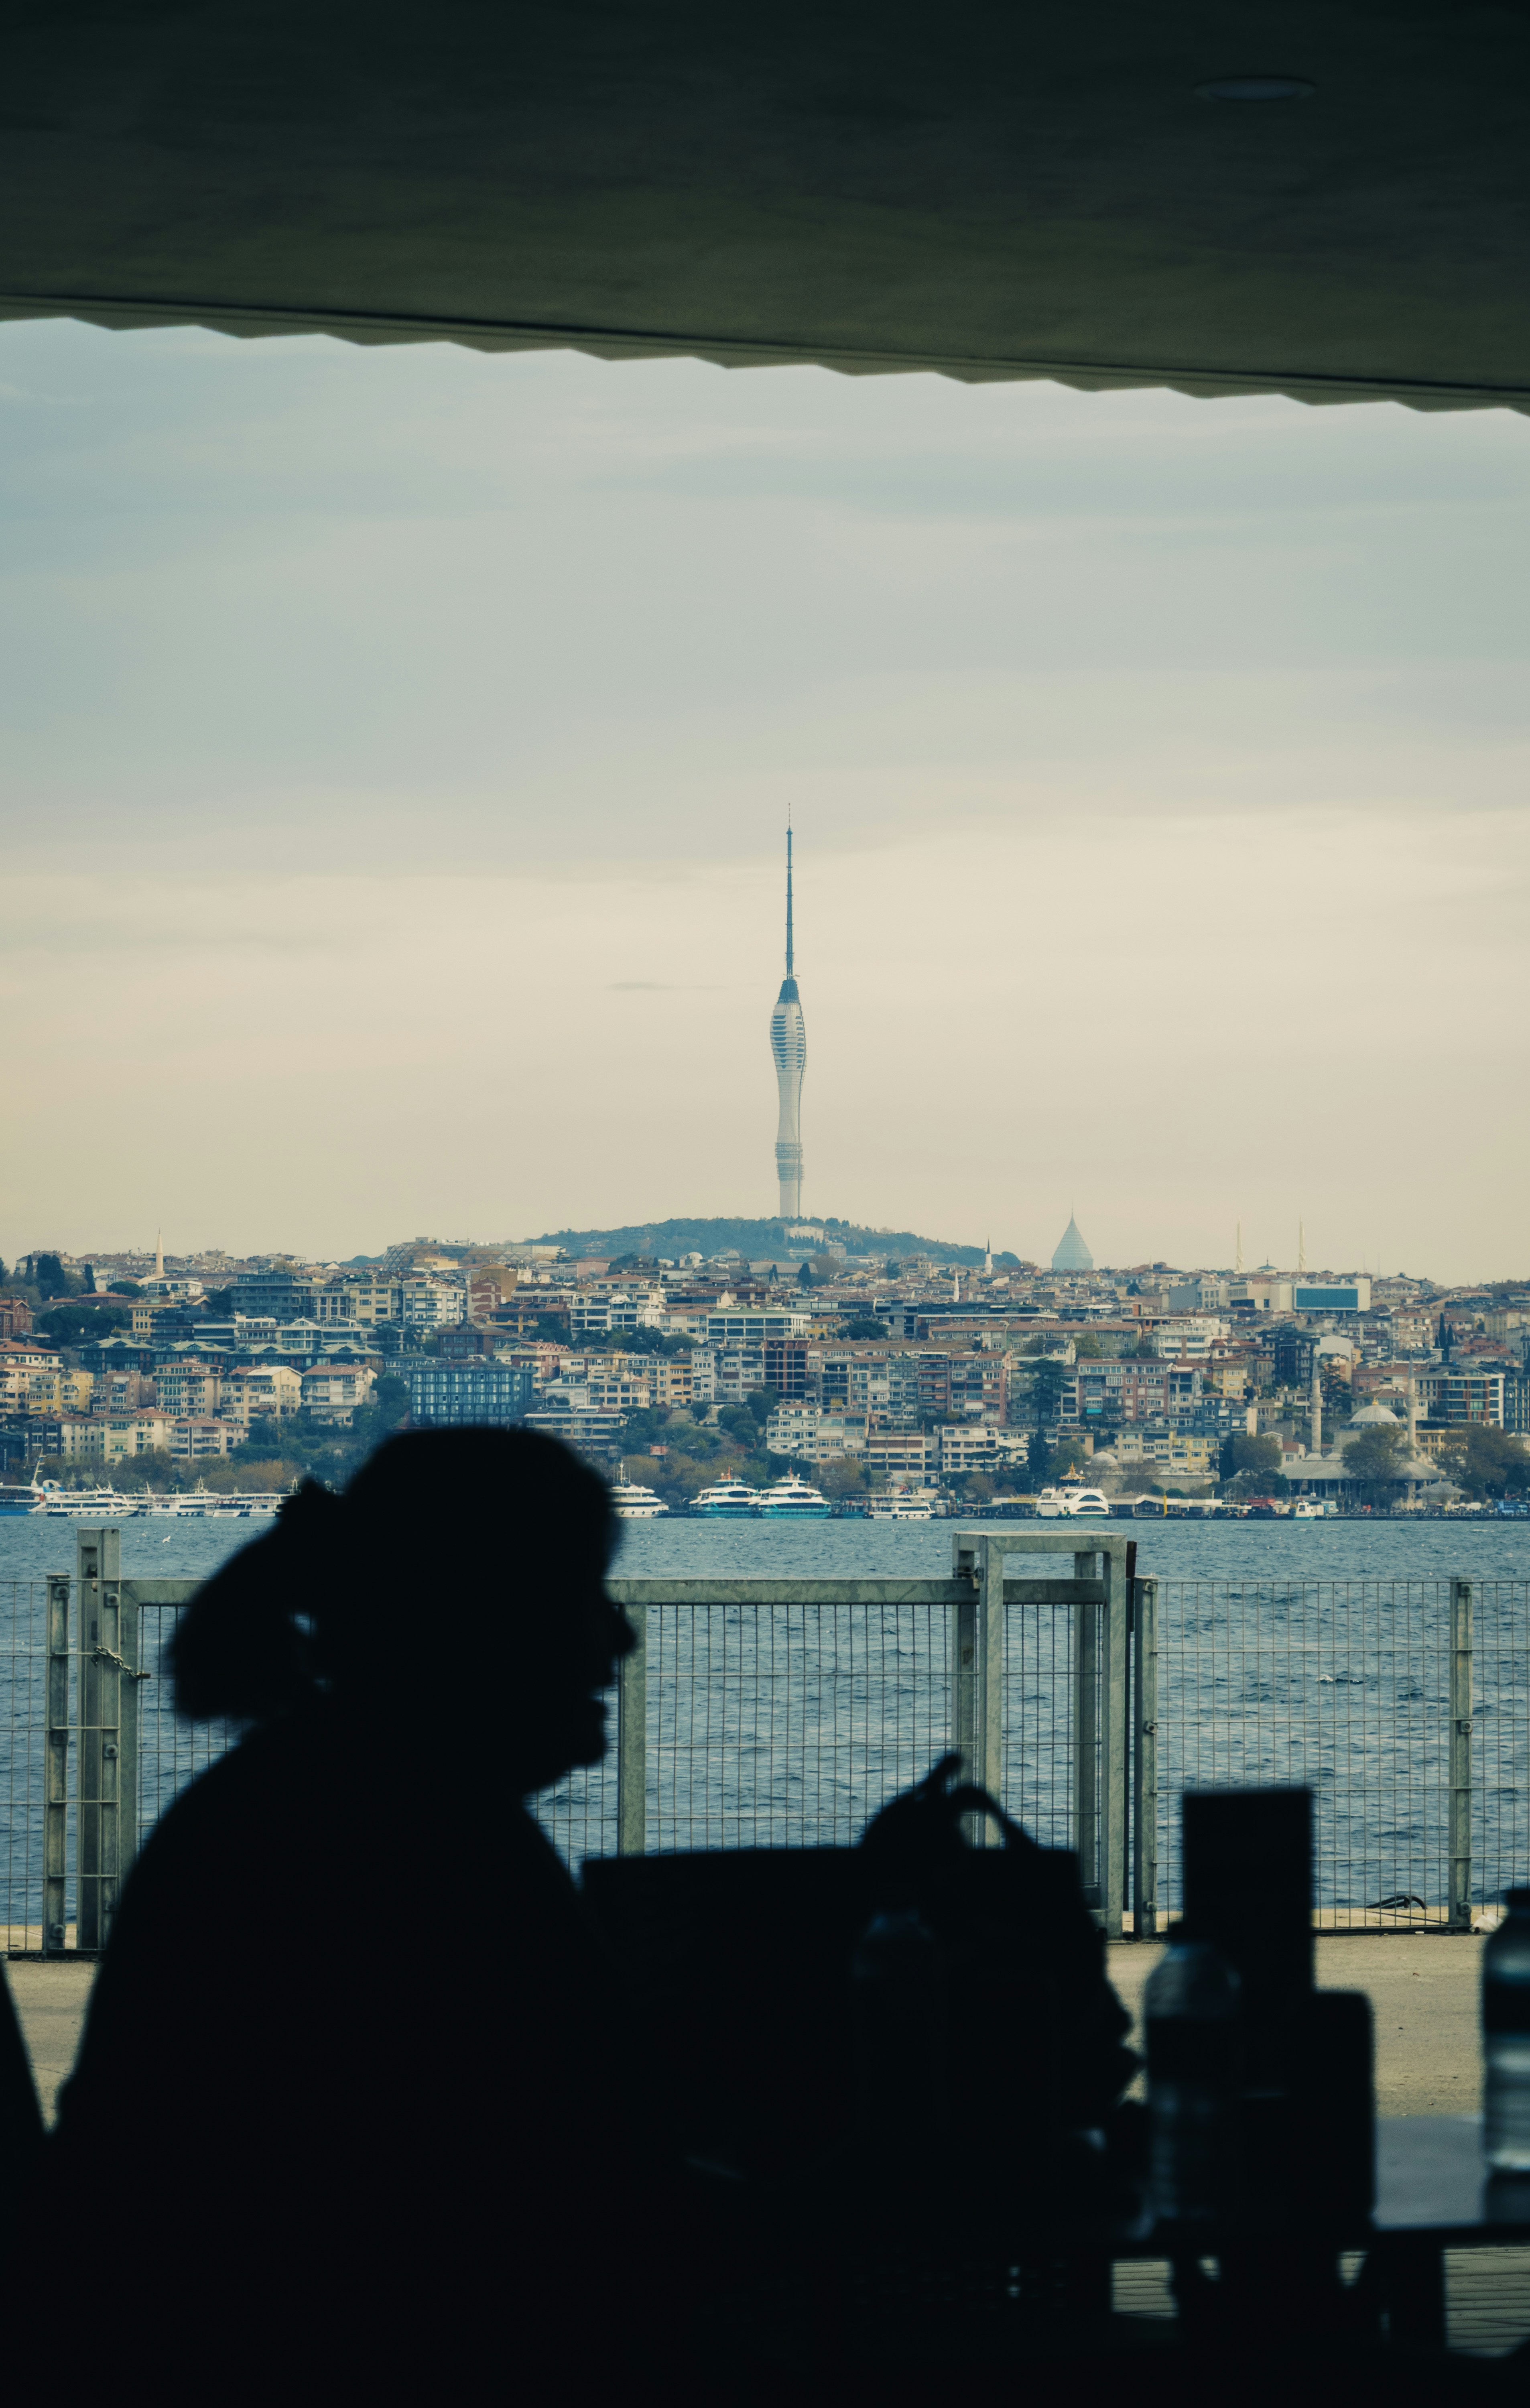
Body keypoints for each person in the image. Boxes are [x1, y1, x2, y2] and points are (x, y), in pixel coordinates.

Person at [21, 1429, 645, 2401]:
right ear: (477, 1620)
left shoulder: (317, 1801)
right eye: (581, 1593)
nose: (620, 1637)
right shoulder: (411, 1844)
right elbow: (575, 2210)